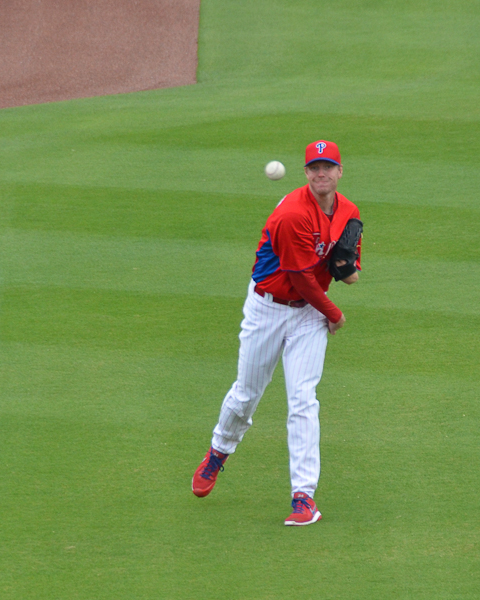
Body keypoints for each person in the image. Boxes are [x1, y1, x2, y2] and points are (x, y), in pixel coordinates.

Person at [192, 140, 362, 526]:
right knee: (246, 394)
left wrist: (347, 269)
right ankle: (218, 451)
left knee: (303, 400)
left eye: (328, 167)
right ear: (306, 173)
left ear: (339, 171)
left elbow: (350, 269)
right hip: (268, 309)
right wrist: (334, 313)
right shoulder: (291, 214)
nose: (321, 173)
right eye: (314, 167)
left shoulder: (348, 212)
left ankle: (303, 497)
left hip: (308, 316)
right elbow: (301, 278)